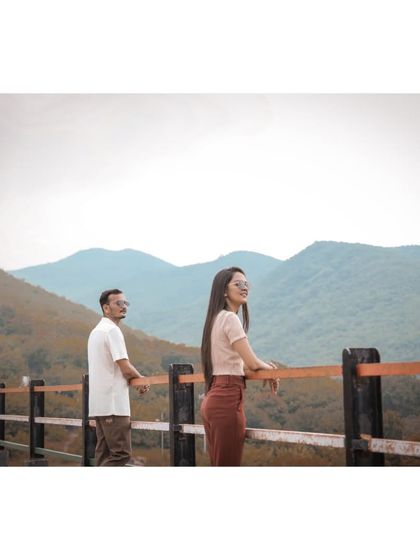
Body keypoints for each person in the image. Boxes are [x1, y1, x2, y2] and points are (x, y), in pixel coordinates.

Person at [200, 267, 279, 466]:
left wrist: (264, 368)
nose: (244, 288)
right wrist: (271, 371)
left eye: (246, 284)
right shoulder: (229, 318)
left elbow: (240, 366)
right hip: (227, 399)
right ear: (224, 291)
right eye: (238, 284)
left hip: (214, 397)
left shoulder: (215, 319)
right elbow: (251, 362)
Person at [87, 288, 150, 466]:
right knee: (121, 454)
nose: (124, 307)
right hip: (113, 405)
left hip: (99, 405)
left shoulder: (96, 332)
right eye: (118, 303)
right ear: (106, 308)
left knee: (103, 454)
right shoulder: (112, 331)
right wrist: (142, 380)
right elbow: (125, 367)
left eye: (125, 303)